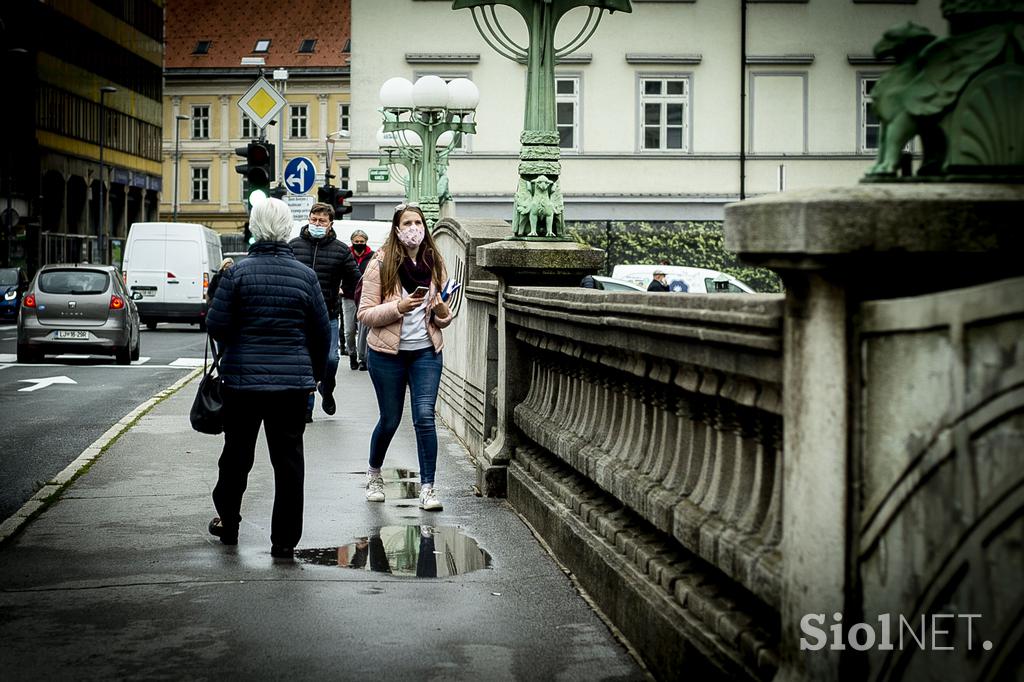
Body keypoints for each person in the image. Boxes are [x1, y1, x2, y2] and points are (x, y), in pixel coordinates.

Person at [205, 197, 330, 559]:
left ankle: (228, 520)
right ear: (288, 228)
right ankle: (284, 541)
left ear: (254, 228)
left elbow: (215, 325)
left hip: (242, 385)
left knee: (236, 457)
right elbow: (321, 334)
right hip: (291, 387)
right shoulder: (305, 276)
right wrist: (315, 377)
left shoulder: (238, 273)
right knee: (288, 463)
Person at [356, 203, 453, 511]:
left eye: (418, 222)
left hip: (426, 352)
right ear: (397, 229)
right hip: (388, 354)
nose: (414, 228)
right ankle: (374, 473)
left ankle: (428, 488)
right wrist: (399, 307)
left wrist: (441, 313)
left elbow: (444, 315)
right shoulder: (380, 263)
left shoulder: (434, 261)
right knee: (390, 420)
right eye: (408, 223)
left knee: (424, 417)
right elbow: (365, 314)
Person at [288, 202, 361, 422]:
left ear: (330, 224)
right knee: (304, 363)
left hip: (328, 314)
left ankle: (326, 389)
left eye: (322, 221)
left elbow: (356, 280)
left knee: (331, 359)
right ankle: (306, 409)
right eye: (314, 219)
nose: (317, 224)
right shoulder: (293, 246)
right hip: (300, 316)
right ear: (308, 219)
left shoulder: (340, 250)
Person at [345, 229, 374, 371]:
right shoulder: (346, 255)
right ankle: (352, 354)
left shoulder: (372, 257)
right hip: (349, 296)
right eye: (356, 242)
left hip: (365, 297)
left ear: (366, 242)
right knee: (349, 330)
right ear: (352, 242)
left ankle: (363, 358)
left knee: (364, 329)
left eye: (361, 242)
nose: (359, 244)